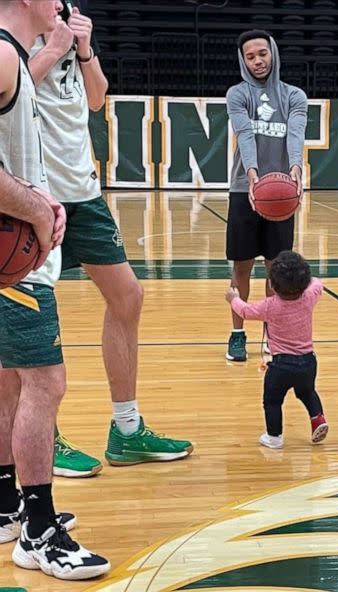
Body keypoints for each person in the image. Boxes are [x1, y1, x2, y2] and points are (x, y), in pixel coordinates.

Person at [28, 0, 193, 478]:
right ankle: (44, 434)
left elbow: (97, 98)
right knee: (35, 310)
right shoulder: (14, 33)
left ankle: (126, 429)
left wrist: (82, 48)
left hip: (84, 193)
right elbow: (12, 91)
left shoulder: (67, 25)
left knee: (128, 297)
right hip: (36, 197)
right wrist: (52, 47)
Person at [0, 0, 110, 580]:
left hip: (16, 259)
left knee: (11, 382)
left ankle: (4, 505)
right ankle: (39, 532)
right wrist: (37, 210)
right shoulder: (3, 56)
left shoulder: (15, 56)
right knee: (46, 384)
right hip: (16, 269)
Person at [225, 29, 308, 362]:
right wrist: (252, 173)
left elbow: (296, 135)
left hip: (281, 194)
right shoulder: (237, 94)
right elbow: (245, 133)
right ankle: (236, 334)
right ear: (243, 61)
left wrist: (296, 168)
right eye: (250, 56)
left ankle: (272, 337)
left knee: (276, 270)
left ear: (273, 53)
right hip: (245, 191)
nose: (258, 61)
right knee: (241, 268)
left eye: (262, 53)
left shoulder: (294, 96)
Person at [225, 250, 328, 449]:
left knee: (272, 400)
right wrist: (305, 279)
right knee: (307, 392)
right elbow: (317, 282)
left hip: (281, 366)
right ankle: (318, 419)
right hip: (308, 362)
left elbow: (245, 311)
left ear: (272, 284)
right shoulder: (309, 296)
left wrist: (233, 298)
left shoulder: (270, 306)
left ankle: (274, 436)